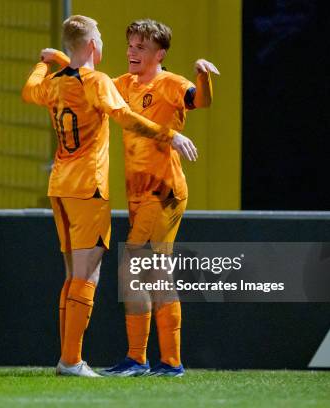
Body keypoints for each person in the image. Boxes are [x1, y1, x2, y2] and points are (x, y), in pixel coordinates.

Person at [22, 15, 195, 377]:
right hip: (88, 187)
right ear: (91, 47)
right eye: (99, 37)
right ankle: (72, 360)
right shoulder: (98, 82)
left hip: (59, 187)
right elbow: (125, 116)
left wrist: (47, 60)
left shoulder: (54, 84)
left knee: (75, 275)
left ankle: (84, 358)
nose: (106, 44)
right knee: (90, 276)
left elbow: (29, 90)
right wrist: (170, 135)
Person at [100, 19, 219, 377]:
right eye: (131, 46)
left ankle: (139, 360)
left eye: (141, 47)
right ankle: (169, 362)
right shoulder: (122, 84)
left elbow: (201, 101)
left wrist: (203, 76)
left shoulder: (170, 83)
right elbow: (95, 89)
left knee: (133, 266)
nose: (132, 52)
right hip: (138, 193)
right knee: (156, 273)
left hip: (163, 189)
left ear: (160, 54)